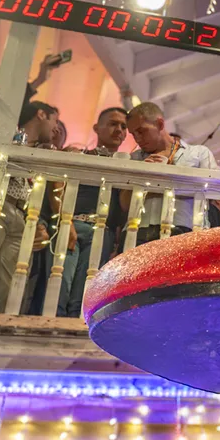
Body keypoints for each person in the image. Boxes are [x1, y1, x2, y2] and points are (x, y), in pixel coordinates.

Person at [47, 108, 128, 317]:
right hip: (71, 224)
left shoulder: (127, 164)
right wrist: (65, 221)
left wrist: (117, 243)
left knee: (84, 297)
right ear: (96, 128)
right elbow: (57, 185)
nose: (119, 130)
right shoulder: (79, 155)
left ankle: (74, 333)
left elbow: (123, 209)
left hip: (103, 233)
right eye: (113, 124)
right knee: (58, 290)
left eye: (123, 126)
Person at [120, 102, 218, 247]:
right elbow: (124, 205)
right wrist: (142, 176)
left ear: (160, 124)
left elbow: (214, 193)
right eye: (133, 134)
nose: (138, 139)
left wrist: (168, 175)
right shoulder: (134, 158)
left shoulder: (199, 153)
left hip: (184, 230)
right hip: (137, 231)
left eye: (141, 131)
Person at [0, 102, 57, 312]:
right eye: (55, 121)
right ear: (41, 114)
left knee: (9, 284)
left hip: (22, 215)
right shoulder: (7, 131)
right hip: (0, 203)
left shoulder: (40, 150)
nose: (56, 128)